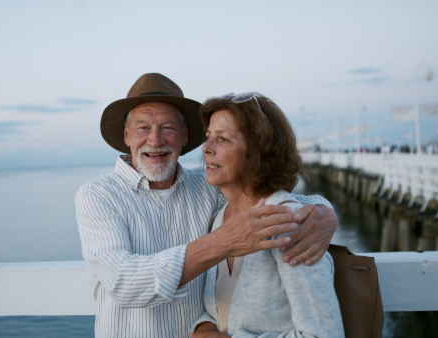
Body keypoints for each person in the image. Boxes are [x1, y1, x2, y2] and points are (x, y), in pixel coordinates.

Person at [75, 73, 339, 337]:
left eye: (167, 127)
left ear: (185, 135)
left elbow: (261, 195)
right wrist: (221, 243)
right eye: (142, 127)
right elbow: (123, 283)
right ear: (126, 135)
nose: (155, 140)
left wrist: (323, 212)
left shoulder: (209, 187)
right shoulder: (98, 195)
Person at [191, 93, 343, 337]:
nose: (206, 148)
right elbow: (221, 312)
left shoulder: (289, 223)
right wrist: (205, 327)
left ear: (258, 150)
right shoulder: (220, 218)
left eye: (223, 139)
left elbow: (322, 334)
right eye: (208, 136)